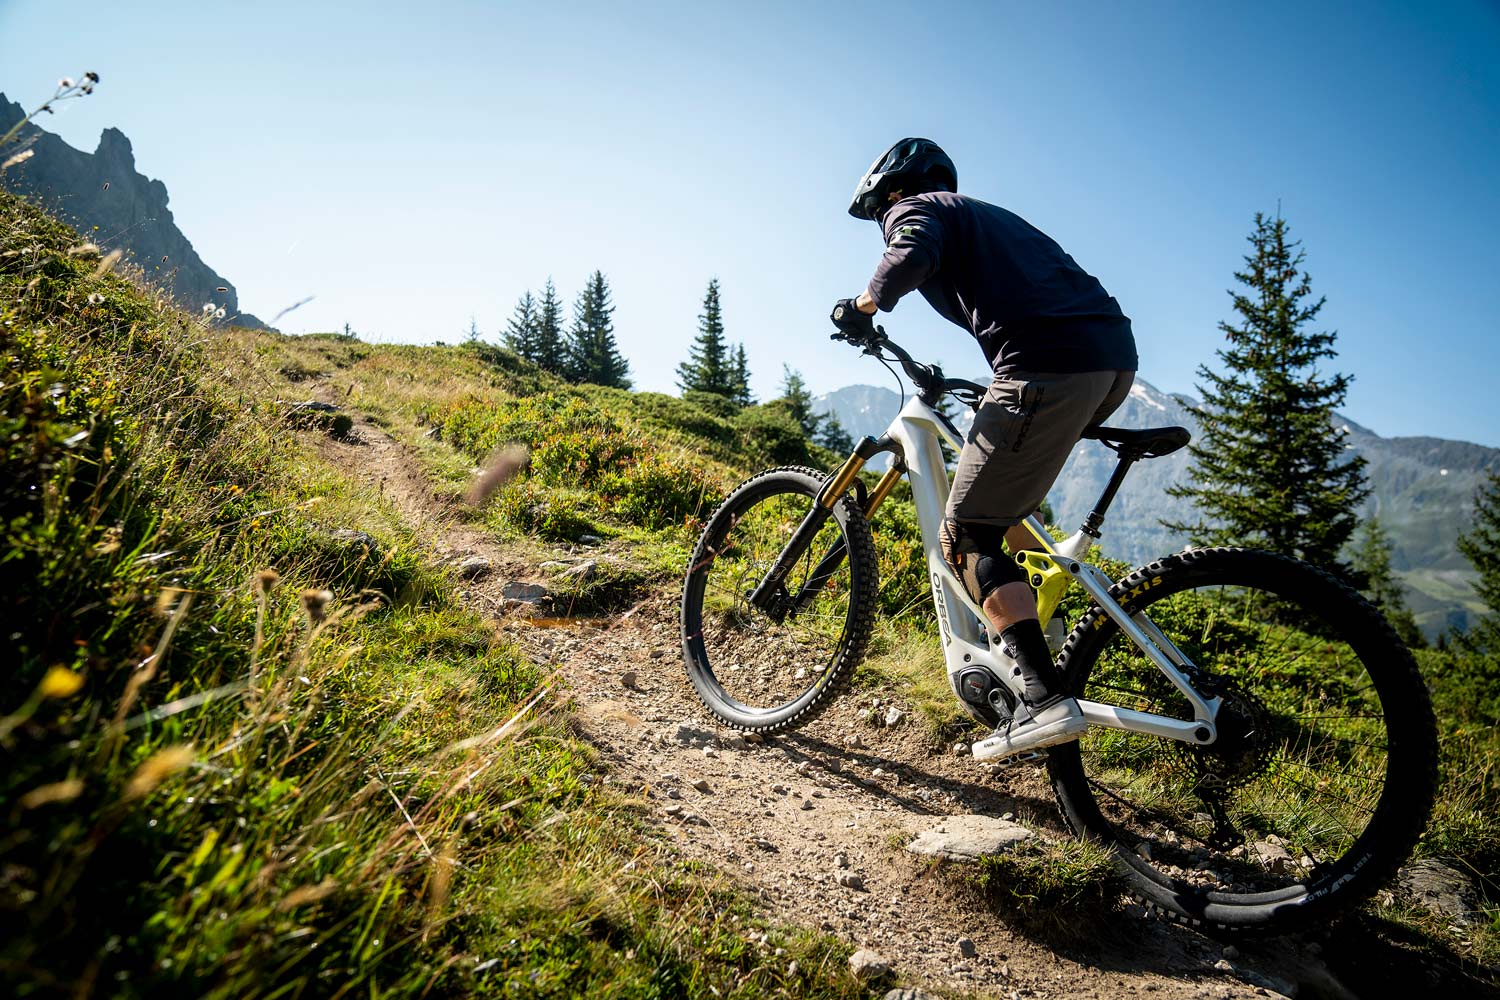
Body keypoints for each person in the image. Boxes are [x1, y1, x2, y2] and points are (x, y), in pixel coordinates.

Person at [832, 137, 1138, 757]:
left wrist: (864, 306)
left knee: (965, 534)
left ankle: (1043, 699)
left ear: (892, 190)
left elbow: (910, 251)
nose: (884, 226)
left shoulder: (918, 206)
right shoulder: (989, 216)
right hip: (1110, 361)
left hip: (1045, 364)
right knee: (1001, 501)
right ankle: (1038, 617)